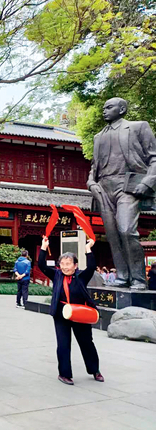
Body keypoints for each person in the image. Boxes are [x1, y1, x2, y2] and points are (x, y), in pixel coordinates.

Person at [87, 97, 156, 290]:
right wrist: (91, 182)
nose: (104, 111)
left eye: (109, 107)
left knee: (126, 230)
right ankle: (122, 276)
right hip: (103, 187)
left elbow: (154, 158)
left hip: (128, 185)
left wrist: (147, 182)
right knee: (112, 234)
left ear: (122, 109)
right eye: (103, 108)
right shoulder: (98, 136)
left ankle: (139, 279)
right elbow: (94, 166)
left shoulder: (138, 127)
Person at [38, 236, 104, 385]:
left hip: (80, 312)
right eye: (62, 264)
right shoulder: (56, 275)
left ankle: (95, 370)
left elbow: (92, 266)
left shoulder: (81, 276)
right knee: (63, 344)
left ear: (75, 265)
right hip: (61, 313)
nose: (65, 267)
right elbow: (41, 264)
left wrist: (88, 249)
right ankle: (64, 374)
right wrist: (43, 247)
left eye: (68, 264)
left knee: (86, 342)